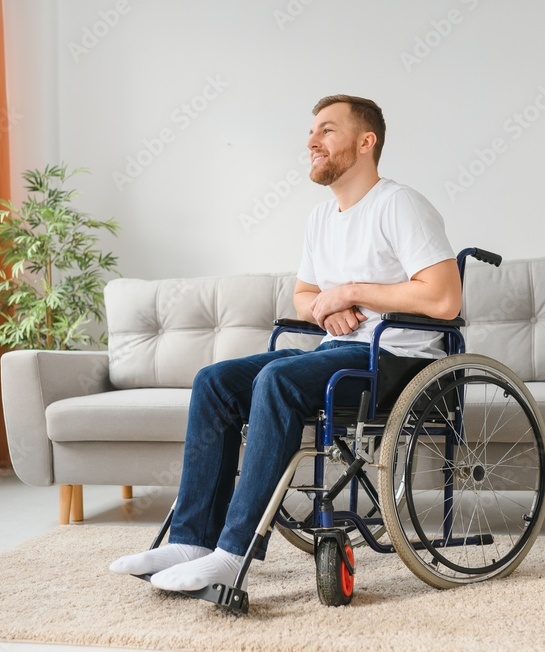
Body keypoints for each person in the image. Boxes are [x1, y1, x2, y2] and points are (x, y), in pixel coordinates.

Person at [110, 94, 462, 593]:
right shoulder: (322, 218)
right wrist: (326, 306)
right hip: (341, 354)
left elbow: (445, 298)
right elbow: (303, 295)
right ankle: (192, 539)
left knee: (276, 377)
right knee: (215, 382)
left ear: (366, 142)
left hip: (400, 361)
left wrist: (352, 291)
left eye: (327, 131)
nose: (311, 142)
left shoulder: (399, 204)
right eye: (311, 132)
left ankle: (234, 553)